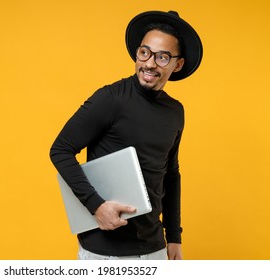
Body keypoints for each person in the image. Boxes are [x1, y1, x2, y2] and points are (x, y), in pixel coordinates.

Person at [50, 10, 203, 260]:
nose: (150, 63)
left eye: (162, 57)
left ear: (178, 64)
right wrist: (96, 205)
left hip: (155, 248)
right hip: (103, 251)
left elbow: (170, 174)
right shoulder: (110, 99)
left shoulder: (176, 111)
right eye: (145, 52)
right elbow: (60, 149)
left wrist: (174, 236)